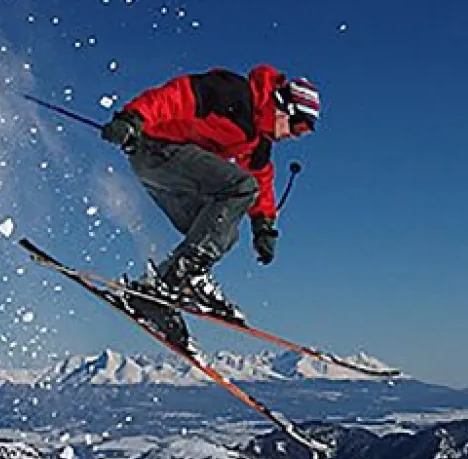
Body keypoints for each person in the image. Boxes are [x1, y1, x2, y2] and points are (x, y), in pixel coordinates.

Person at [99, 64, 319, 349]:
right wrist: (132, 119)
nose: (295, 136)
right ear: (284, 107)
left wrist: (264, 226)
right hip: (156, 147)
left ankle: (154, 293)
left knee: (223, 229)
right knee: (240, 188)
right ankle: (182, 277)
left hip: (169, 170)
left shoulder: (257, 141)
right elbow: (176, 95)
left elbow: (262, 178)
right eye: (298, 127)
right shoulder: (234, 94)